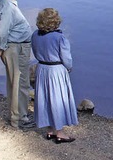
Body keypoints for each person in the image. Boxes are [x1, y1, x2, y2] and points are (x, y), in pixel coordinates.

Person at [0, 0, 35, 129]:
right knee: (19, 83)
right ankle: (19, 119)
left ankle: (19, 113)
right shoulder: (8, 7)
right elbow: (1, 30)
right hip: (15, 48)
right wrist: (0, 46)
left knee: (16, 82)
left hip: (13, 47)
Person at [31, 8, 78, 143]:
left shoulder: (35, 35)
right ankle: (60, 133)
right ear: (55, 22)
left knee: (45, 98)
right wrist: (68, 68)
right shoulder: (59, 38)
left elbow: (34, 51)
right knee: (58, 100)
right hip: (55, 70)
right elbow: (66, 58)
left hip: (42, 68)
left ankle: (50, 130)